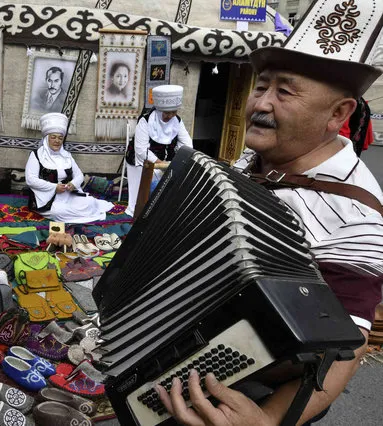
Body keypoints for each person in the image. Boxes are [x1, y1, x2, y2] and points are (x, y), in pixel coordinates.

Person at [155, 1, 383, 424]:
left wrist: (269, 420)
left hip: (257, 388)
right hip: (191, 353)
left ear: (339, 113)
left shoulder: (357, 216)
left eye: (285, 91)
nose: (261, 103)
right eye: (261, 87)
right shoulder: (262, 157)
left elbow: (347, 348)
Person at [25, 113, 114, 223]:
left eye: (60, 138)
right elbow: (30, 179)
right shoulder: (36, 155)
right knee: (58, 212)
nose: (57, 141)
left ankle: (78, 213)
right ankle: (78, 215)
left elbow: (79, 175)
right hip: (46, 198)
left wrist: (73, 184)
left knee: (90, 202)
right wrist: (54, 187)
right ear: (46, 138)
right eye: (53, 137)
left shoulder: (67, 155)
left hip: (67, 195)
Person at [125, 85, 192, 216]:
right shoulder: (145, 120)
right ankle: (144, 210)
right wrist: (160, 164)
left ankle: (163, 210)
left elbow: (187, 143)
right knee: (149, 188)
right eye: (167, 113)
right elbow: (141, 150)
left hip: (165, 162)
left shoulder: (177, 120)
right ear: (159, 110)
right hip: (142, 160)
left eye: (174, 112)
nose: (170, 116)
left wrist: (179, 159)